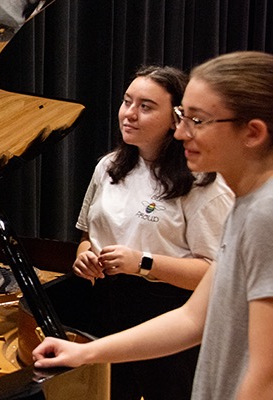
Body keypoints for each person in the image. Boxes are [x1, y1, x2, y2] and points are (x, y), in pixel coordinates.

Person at [33, 51, 273, 400]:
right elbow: (192, 320)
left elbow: (265, 375)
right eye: (181, 117)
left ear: (252, 132)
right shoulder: (245, 206)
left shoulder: (264, 215)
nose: (180, 133)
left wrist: (142, 263)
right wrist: (86, 352)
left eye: (198, 121)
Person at [71, 65, 233, 399]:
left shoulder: (202, 180)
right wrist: (83, 256)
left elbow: (216, 274)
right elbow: (87, 233)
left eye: (145, 107)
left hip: (168, 312)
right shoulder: (109, 166)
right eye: (127, 101)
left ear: (176, 119)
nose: (129, 114)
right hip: (103, 305)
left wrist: (142, 262)